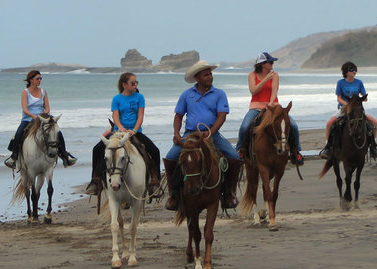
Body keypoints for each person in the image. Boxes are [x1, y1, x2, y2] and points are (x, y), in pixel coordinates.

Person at [163, 60, 242, 211]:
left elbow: (222, 116)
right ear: (197, 78)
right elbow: (178, 116)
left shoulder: (219, 94)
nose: (210, 77)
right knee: (170, 157)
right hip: (190, 134)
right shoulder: (187, 95)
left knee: (234, 157)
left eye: (210, 74)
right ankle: (173, 195)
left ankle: (229, 194)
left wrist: (211, 132)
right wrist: (176, 133)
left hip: (212, 134)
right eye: (206, 75)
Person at [84, 72, 162, 197]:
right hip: (118, 132)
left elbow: (140, 116)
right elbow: (115, 116)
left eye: (136, 82)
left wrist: (134, 130)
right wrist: (120, 128)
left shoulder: (139, 97)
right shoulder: (117, 99)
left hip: (135, 132)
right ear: (124, 84)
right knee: (97, 149)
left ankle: (155, 181)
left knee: (155, 151)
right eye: (133, 83)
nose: (135, 84)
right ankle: (95, 180)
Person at [235, 52, 304, 165]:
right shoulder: (252, 75)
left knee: (293, 125)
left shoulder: (275, 75)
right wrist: (266, 79)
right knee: (245, 127)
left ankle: (296, 151)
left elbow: (274, 91)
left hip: (273, 106)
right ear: (262, 64)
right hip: (256, 107)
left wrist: (271, 105)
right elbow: (253, 90)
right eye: (270, 62)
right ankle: (240, 150)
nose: (272, 64)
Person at [4, 70, 77, 169]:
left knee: (56, 131)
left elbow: (47, 108)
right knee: (19, 133)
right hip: (28, 118)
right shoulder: (25, 93)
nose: (40, 80)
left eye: (40, 78)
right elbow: (25, 109)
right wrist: (35, 117)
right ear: (31, 80)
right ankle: (14, 157)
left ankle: (65, 156)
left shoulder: (43, 91)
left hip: (43, 117)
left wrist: (43, 115)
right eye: (37, 78)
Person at [321, 61, 377, 159]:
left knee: (374, 122)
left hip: (357, 108)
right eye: (352, 70)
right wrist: (348, 105)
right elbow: (339, 98)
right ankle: (328, 147)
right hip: (344, 108)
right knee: (330, 123)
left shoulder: (359, 82)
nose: (354, 72)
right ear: (346, 72)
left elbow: (364, 97)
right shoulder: (340, 83)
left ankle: (373, 147)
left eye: (355, 70)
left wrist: (362, 99)